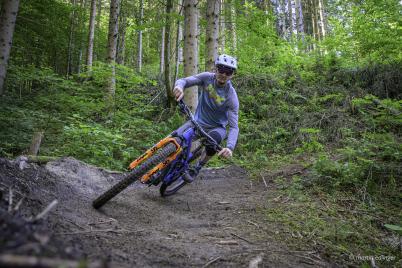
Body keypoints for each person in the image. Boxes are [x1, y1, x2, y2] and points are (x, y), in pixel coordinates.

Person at [173, 54, 239, 182]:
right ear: (215, 69)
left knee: (213, 143)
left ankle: (198, 167)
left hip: (217, 128)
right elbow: (184, 81)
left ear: (232, 75)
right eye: (221, 69)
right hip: (197, 123)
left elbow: (234, 127)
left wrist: (230, 147)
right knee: (175, 140)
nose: (224, 74)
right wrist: (179, 87)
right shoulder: (206, 78)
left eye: (228, 71)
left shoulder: (231, 96)